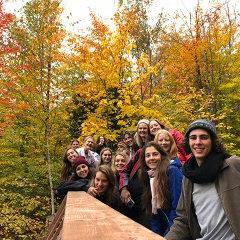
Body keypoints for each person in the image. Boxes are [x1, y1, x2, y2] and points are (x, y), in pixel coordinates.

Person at [166, 119, 240, 240]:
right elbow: (183, 220)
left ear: (213, 142)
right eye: (193, 138)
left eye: (204, 137)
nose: (198, 142)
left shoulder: (232, 165)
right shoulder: (188, 177)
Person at [139, 141, 182, 236]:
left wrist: (168, 235)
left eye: (155, 154)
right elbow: (155, 213)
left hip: (177, 230)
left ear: (162, 156)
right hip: (163, 229)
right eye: (148, 155)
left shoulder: (172, 172)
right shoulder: (150, 176)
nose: (151, 158)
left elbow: (177, 208)